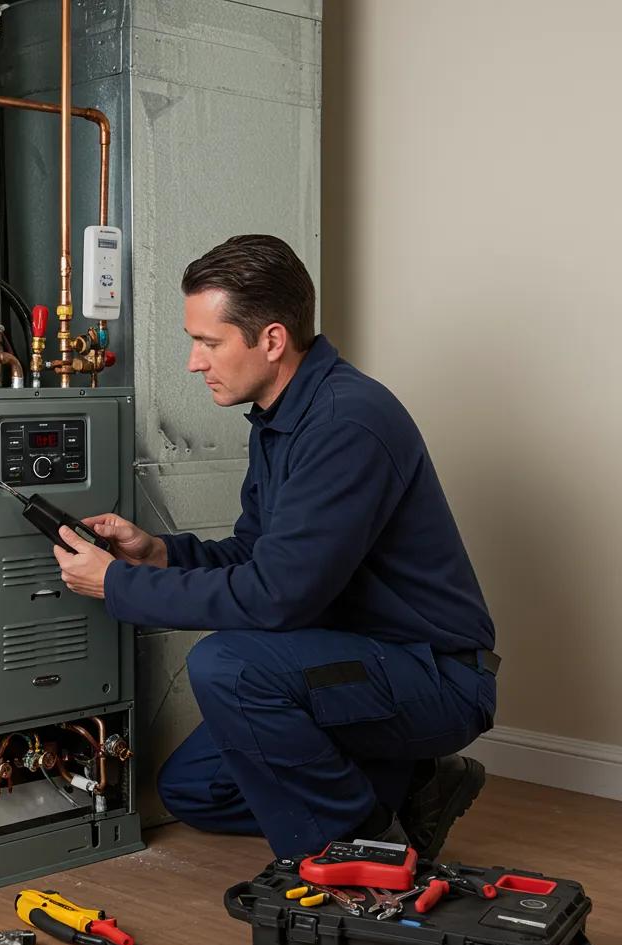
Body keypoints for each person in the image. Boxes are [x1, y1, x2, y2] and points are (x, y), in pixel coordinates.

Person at [52, 234, 497, 861]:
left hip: (434, 674)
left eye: (208, 342)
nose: (194, 362)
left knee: (227, 666)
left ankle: (365, 858)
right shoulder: (283, 418)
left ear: (272, 340)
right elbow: (258, 556)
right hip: (354, 663)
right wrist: (159, 556)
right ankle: (413, 787)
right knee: (192, 790)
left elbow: (277, 598)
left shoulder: (347, 423)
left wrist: (119, 586)